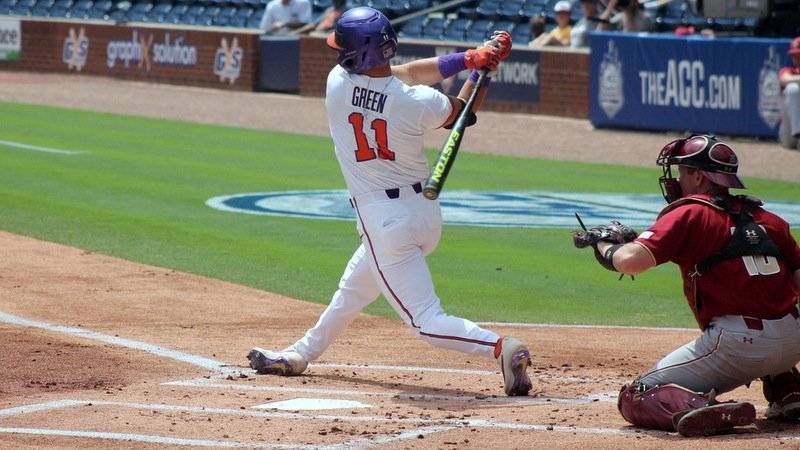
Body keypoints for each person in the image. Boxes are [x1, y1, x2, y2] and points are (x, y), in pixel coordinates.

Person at [248, 7, 533, 397]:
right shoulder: (417, 102)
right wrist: (477, 70)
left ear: (354, 55)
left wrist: (471, 60)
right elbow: (458, 112)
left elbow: (411, 76)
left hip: (384, 221)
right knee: (352, 291)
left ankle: (502, 347)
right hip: (423, 214)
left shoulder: (338, 83)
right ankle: (300, 354)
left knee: (426, 321)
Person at [573, 134, 800, 437]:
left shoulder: (690, 213)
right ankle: (790, 392)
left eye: (681, 171)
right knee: (772, 339)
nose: (677, 179)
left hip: (737, 346)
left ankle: (698, 407)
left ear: (698, 176)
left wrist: (603, 244)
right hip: (793, 339)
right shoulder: (769, 219)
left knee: (635, 395)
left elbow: (630, 261)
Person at [779, 36, 800, 151]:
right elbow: (784, 79)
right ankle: (798, 132)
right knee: (792, 88)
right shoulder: (788, 70)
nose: (796, 58)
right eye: (794, 55)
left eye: (799, 55)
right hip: (788, 132)